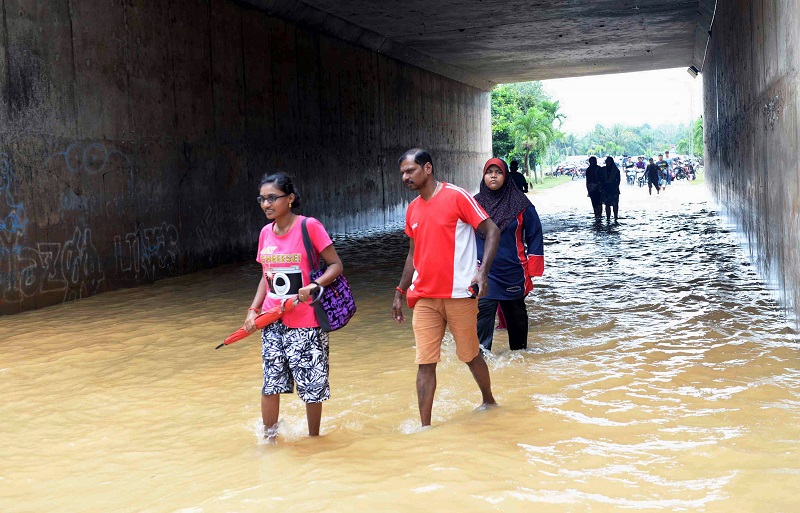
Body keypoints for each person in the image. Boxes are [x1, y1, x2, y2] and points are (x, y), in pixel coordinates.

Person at [392, 148, 499, 427]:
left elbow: (492, 231)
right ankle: (425, 427)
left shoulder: (456, 196)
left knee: (470, 355)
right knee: (425, 362)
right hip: (425, 297)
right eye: (402, 172)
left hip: (460, 294)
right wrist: (400, 291)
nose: (405, 177)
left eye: (410, 170)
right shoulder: (413, 208)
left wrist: (482, 274)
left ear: (427, 169)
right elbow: (412, 254)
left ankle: (488, 400)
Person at [244, 172, 344, 440]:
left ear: (289, 199)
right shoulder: (266, 233)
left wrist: (315, 284)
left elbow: (336, 265)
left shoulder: (309, 227)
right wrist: (253, 310)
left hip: (306, 320)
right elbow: (266, 277)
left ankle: (314, 440)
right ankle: (269, 439)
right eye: (262, 199)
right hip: (272, 320)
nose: (266, 204)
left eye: (272, 198)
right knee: (271, 383)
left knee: (312, 386)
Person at [473, 158, 544, 351]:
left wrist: (533, 269)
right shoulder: (474, 204)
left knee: (516, 321)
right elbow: (462, 236)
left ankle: (520, 362)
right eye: (489, 172)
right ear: (484, 176)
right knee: (481, 320)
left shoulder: (521, 204)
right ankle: (482, 361)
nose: (493, 176)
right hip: (484, 274)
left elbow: (535, 234)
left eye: (498, 172)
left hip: (513, 272)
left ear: (506, 175)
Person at [601, 156, 621, 224]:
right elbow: (601, 179)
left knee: (615, 204)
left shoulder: (616, 170)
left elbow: (618, 181)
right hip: (606, 189)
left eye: (609, 161)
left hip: (614, 189)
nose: (607, 163)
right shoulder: (603, 170)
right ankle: (608, 217)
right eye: (607, 162)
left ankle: (616, 216)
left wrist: (614, 187)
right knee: (607, 204)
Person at [584, 156, 603, 222]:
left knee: (595, 202)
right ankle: (599, 214)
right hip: (598, 188)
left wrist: (588, 189)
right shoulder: (599, 168)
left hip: (592, 188)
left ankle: (597, 215)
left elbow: (587, 180)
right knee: (598, 202)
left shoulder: (588, 170)